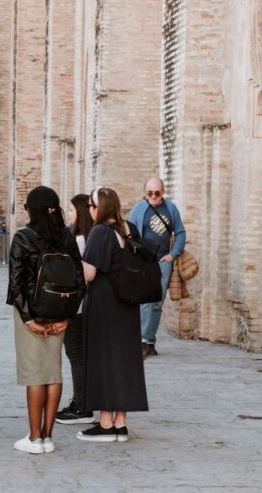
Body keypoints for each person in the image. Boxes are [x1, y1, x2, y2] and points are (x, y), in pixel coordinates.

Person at [7, 186, 85, 454]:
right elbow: (79, 279)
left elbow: (16, 284)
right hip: (59, 314)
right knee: (53, 373)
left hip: (31, 312)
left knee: (34, 375)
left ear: (30, 210)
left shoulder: (23, 238)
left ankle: (34, 437)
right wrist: (67, 318)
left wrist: (29, 320)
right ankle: (48, 437)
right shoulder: (66, 237)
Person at [77, 187, 148, 443]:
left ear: (101, 208)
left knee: (103, 359)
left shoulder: (99, 233)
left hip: (104, 302)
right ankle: (121, 423)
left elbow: (89, 274)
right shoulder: (128, 229)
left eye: (91, 206)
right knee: (123, 360)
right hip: (127, 304)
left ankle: (105, 424)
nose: (89, 211)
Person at [127, 177, 187, 357]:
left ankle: (150, 340)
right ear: (145, 192)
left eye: (157, 193)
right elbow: (129, 231)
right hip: (144, 261)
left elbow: (181, 232)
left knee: (157, 302)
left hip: (163, 261)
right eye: (150, 193)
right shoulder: (139, 208)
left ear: (163, 192)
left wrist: (172, 254)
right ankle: (142, 340)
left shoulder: (171, 208)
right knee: (145, 301)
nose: (153, 196)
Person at [56, 193, 96, 425]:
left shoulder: (79, 240)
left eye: (71, 210)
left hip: (76, 307)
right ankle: (81, 401)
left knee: (76, 356)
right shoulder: (89, 237)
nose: (69, 214)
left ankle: (82, 405)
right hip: (85, 306)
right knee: (79, 355)